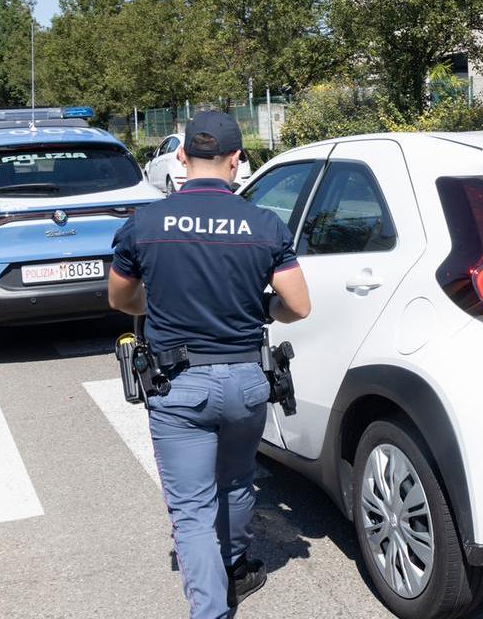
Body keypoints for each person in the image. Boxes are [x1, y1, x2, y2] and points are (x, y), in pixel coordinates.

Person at [108, 110, 310, 619]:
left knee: (192, 511)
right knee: (238, 481)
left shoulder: (144, 224)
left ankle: (211, 610)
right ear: (237, 159)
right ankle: (234, 564)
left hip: (179, 385)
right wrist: (262, 307)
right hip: (246, 381)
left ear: (181, 157)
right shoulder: (265, 224)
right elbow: (298, 305)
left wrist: (156, 305)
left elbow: (121, 299)